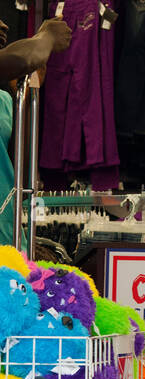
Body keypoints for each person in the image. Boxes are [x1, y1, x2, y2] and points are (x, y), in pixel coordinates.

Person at [0, 17, 73, 246]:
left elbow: (15, 173)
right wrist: (47, 35)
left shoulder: (4, 100)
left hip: (9, 240)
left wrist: (28, 93)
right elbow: (22, 57)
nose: (5, 25)